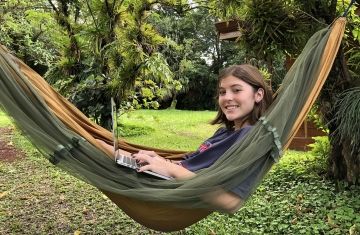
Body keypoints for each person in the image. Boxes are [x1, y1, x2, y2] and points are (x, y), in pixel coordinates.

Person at [98, 64, 273, 213]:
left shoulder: (250, 138)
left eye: (236, 90)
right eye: (222, 92)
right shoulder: (225, 132)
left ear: (258, 95)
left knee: (96, 147)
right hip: (169, 175)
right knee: (111, 150)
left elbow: (230, 203)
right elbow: (194, 162)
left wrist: (170, 169)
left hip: (175, 186)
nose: (227, 98)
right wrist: (160, 160)